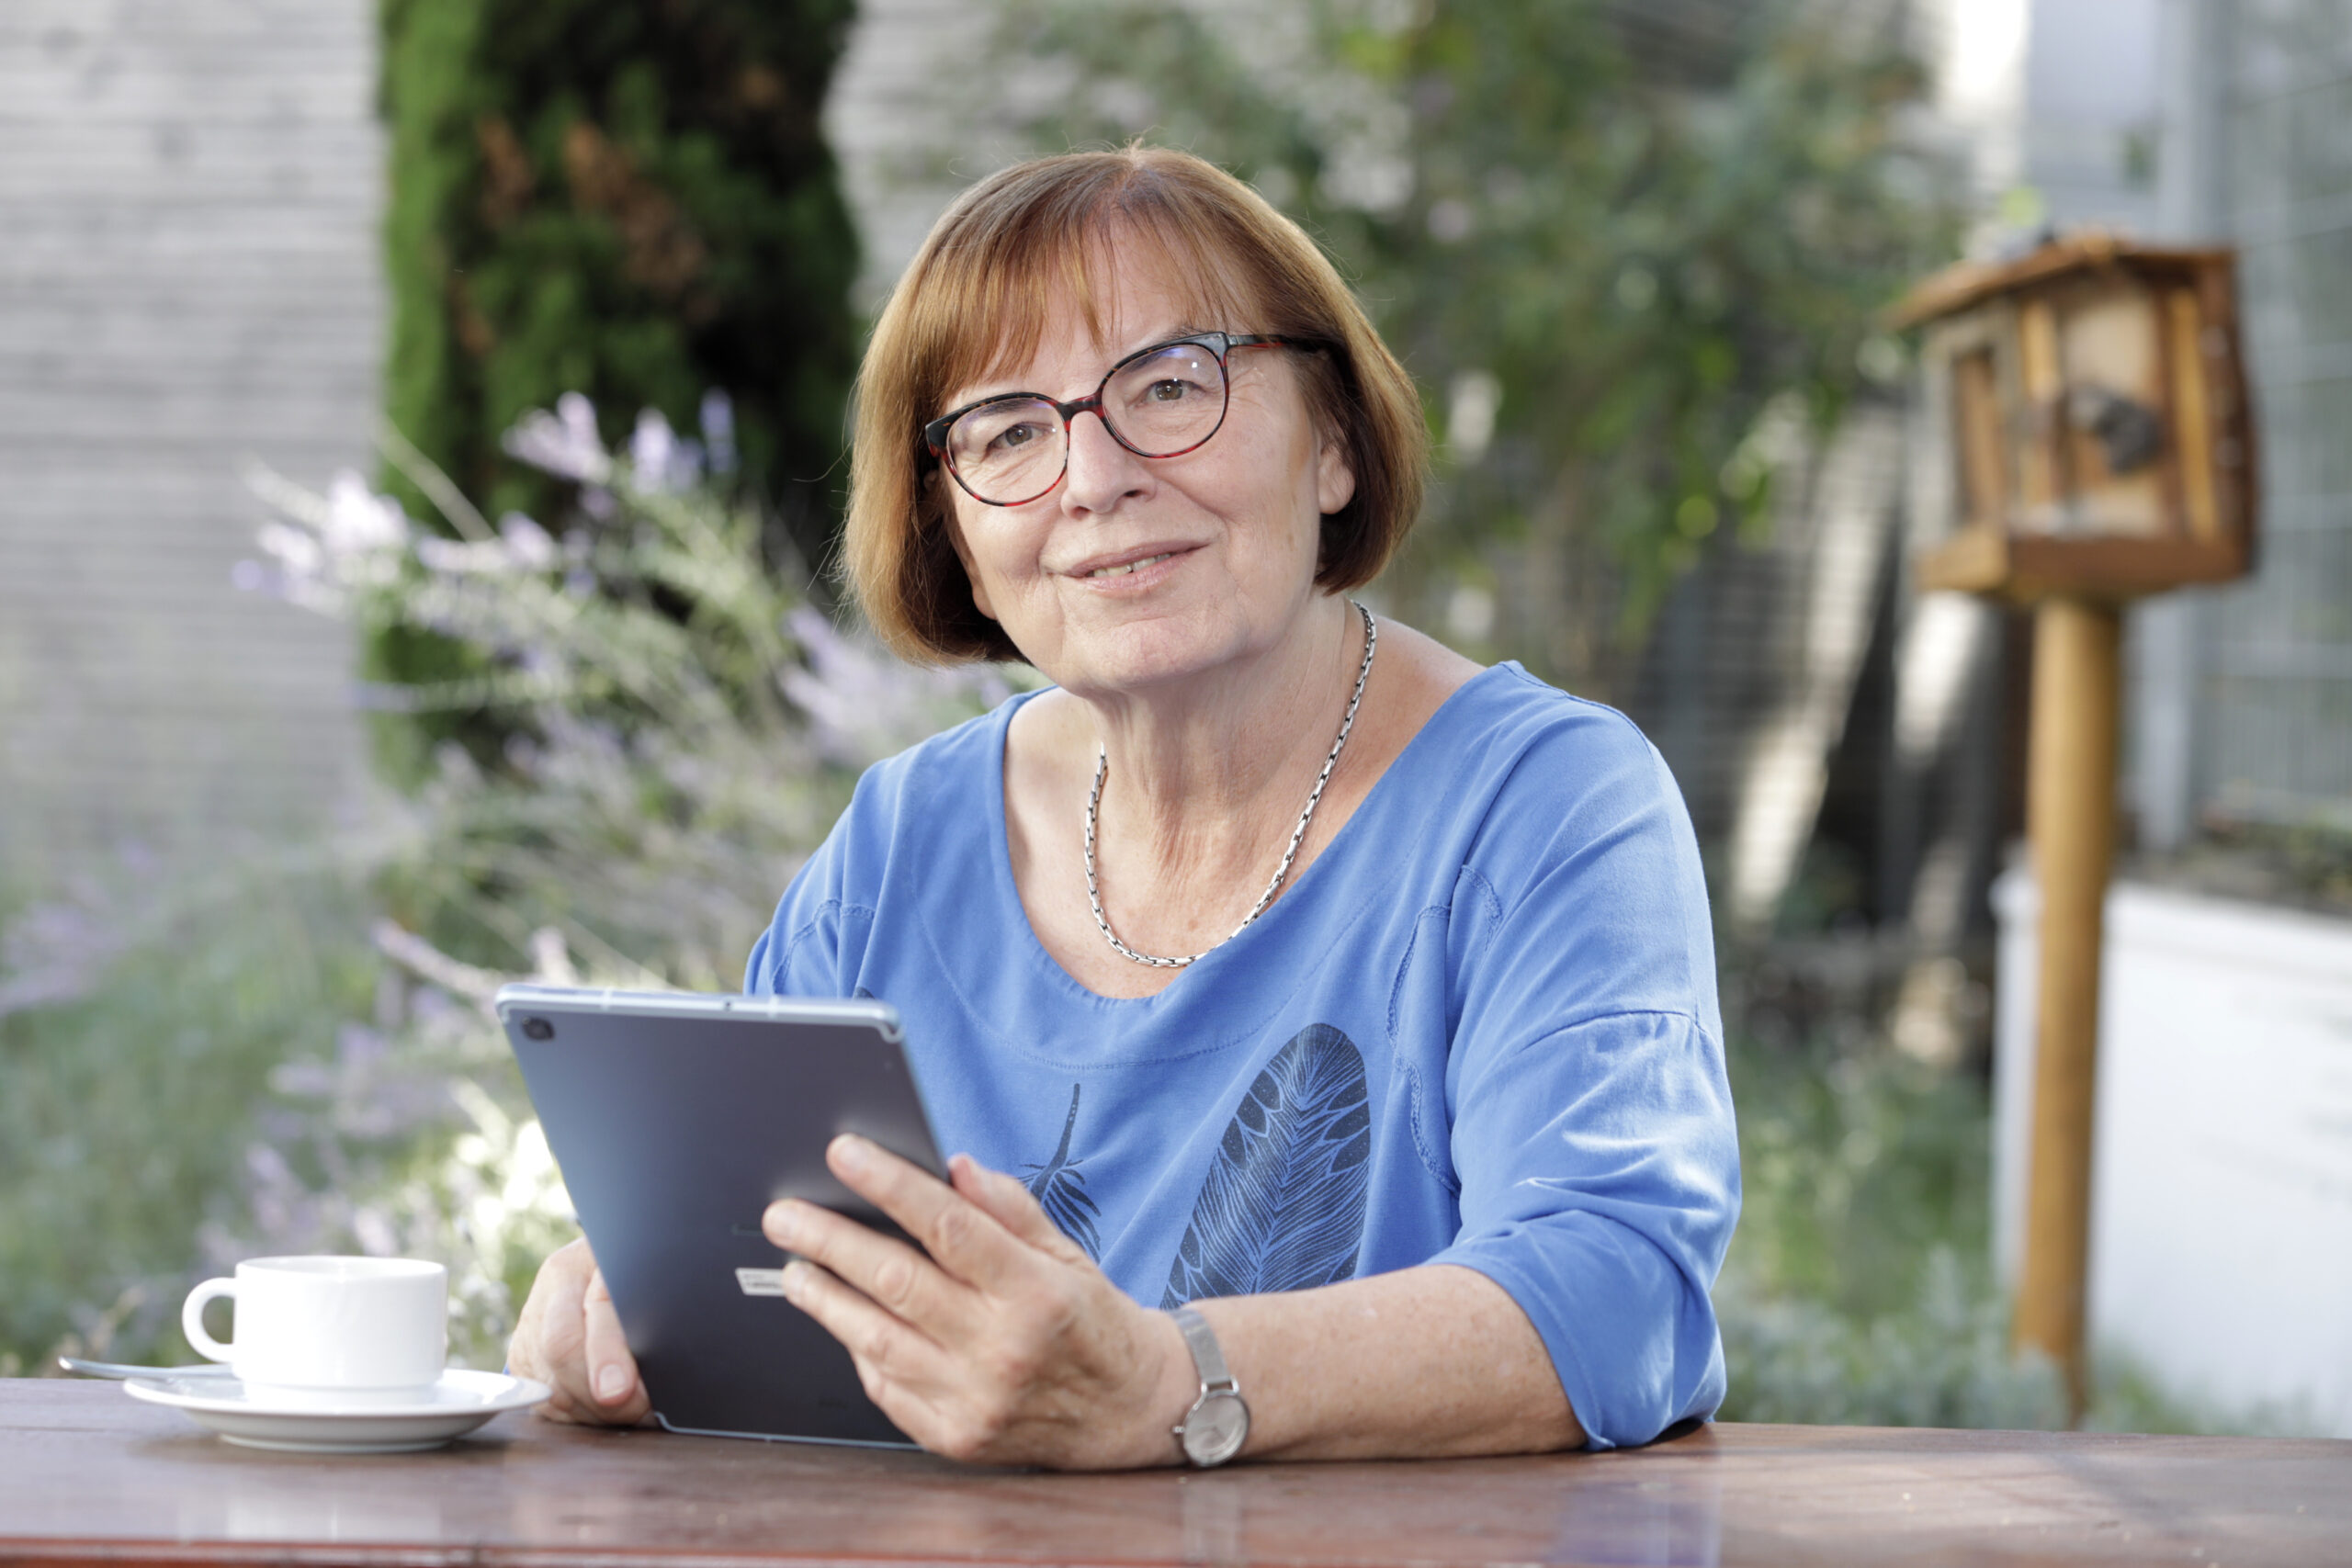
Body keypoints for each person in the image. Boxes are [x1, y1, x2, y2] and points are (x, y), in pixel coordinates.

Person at [507, 146, 1738, 1470]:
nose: (1092, 480)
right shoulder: (899, 841)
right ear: (959, 540)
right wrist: (639, 1298)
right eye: (1011, 432)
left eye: (1168, 386)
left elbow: (1620, 1292)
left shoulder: (1545, 804)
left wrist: (1171, 1380)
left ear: (1331, 442)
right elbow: (766, 1262)